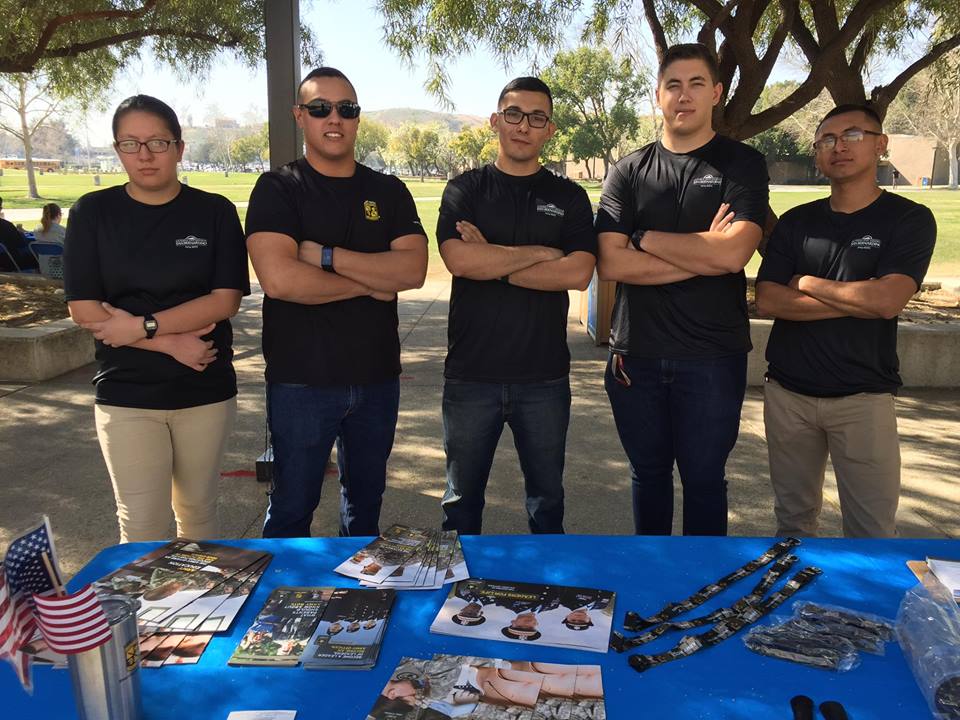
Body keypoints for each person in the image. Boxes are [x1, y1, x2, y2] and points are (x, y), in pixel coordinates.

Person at [246, 67, 428, 538]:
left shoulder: (388, 191)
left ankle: (357, 604)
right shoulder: (278, 189)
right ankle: (281, 605)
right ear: (299, 116)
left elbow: (411, 270)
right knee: (291, 509)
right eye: (320, 108)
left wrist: (326, 256)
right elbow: (282, 280)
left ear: (357, 118)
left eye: (346, 109)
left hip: (376, 380)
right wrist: (372, 281)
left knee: (365, 511)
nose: (334, 118)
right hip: (301, 382)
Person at [596, 43, 769, 536]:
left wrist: (644, 238)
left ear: (716, 92)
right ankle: (654, 581)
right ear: (658, 95)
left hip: (712, 356)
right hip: (638, 355)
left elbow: (734, 254)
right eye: (673, 85)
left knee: (704, 480)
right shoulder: (628, 170)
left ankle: (702, 591)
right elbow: (610, 262)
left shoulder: (742, 166)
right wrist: (703, 254)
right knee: (647, 476)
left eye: (696, 84)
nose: (684, 95)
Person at [63, 95, 249, 543]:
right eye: (131, 143)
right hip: (127, 393)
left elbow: (224, 301)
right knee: (143, 526)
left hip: (203, 387)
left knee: (198, 519)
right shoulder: (92, 213)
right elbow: (84, 309)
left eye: (157, 143)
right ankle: (143, 617)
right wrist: (165, 341)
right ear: (117, 149)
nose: (144, 155)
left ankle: (200, 614)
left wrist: (140, 325)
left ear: (180, 149)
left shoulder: (214, 212)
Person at [755, 104, 937, 538]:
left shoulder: (908, 219)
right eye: (827, 140)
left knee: (871, 531)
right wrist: (862, 298)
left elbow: (889, 299)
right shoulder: (797, 222)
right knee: (793, 525)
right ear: (818, 154)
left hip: (863, 398)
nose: (839, 148)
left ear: (880, 145)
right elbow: (768, 299)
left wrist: (806, 282)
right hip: (789, 394)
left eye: (852, 136)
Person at [436, 76, 597, 535]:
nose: (523, 125)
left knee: (547, 502)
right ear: (496, 121)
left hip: (543, 377)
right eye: (514, 114)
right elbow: (460, 260)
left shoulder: (568, 196)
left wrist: (498, 259)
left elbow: (577, 273)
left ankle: (548, 599)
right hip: (471, 375)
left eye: (536, 117)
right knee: (461, 505)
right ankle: (454, 601)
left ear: (549, 129)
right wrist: (543, 253)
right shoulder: (465, 190)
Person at [0, 195, 39, 271]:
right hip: (9, 261)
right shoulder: (6, 225)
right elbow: (20, 244)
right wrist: (21, 233)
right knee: (38, 256)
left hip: (4, 260)